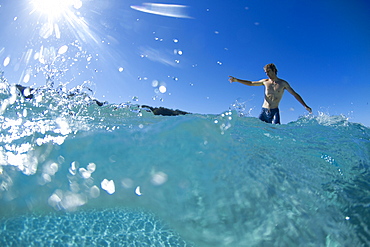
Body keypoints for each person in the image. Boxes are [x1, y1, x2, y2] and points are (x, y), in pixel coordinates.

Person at [229, 63, 312, 124]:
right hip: (263, 111)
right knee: (259, 130)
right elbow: (251, 83)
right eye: (265, 72)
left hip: (274, 111)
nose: (267, 74)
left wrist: (305, 106)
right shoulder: (265, 82)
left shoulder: (283, 83)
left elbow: (295, 94)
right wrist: (237, 80)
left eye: (268, 71)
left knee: (275, 130)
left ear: (274, 70)